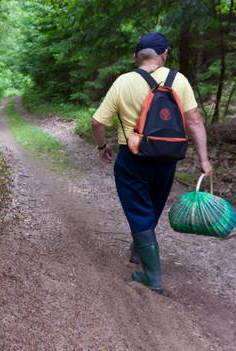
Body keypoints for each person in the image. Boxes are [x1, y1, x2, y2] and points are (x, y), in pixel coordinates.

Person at [91, 32, 212, 294]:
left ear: (137, 56)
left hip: (133, 156)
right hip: (168, 158)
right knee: (152, 205)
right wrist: (204, 159)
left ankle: (153, 278)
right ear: (164, 54)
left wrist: (102, 146)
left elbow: (97, 122)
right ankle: (139, 251)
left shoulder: (124, 82)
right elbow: (194, 122)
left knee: (138, 209)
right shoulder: (178, 79)